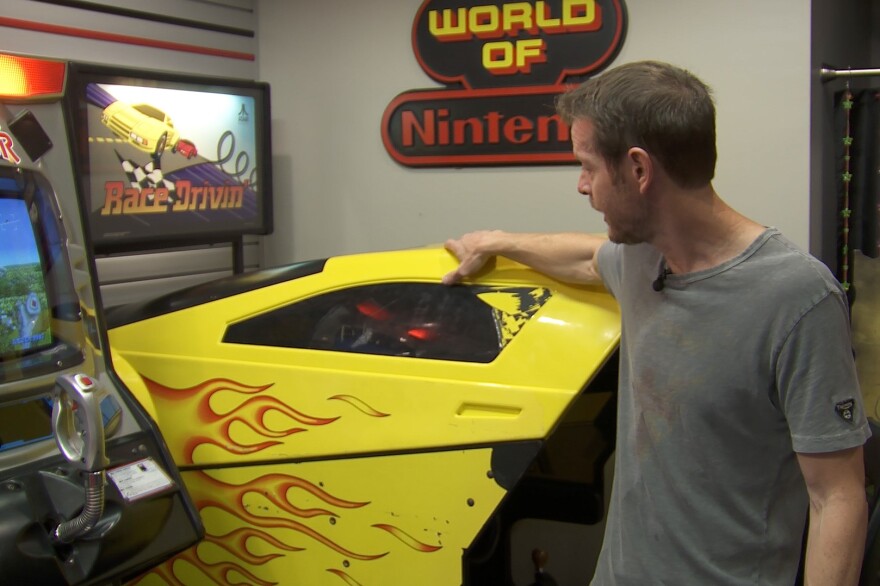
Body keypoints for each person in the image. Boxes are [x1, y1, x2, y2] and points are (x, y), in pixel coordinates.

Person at [442, 61, 871, 585]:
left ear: (639, 170)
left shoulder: (797, 296)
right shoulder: (643, 258)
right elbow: (587, 258)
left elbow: (836, 497)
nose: (582, 186)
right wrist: (499, 242)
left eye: (588, 166)